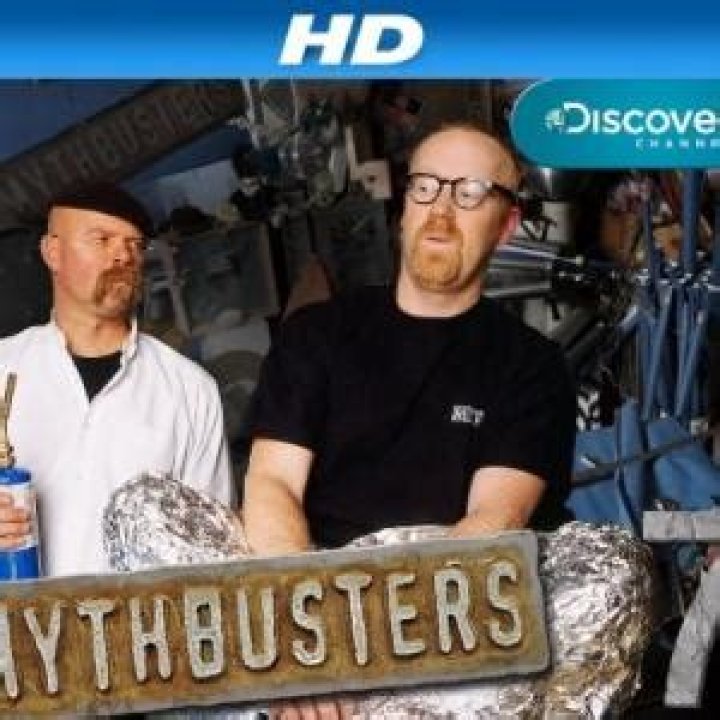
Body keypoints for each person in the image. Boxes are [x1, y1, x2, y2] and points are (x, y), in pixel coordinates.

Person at [244, 124, 576, 555]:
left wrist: (406, 598)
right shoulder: (314, 335)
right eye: (425, 187)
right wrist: (299, 586)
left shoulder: (530, 366)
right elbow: (273, 483)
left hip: (456, 585)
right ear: (404, 208)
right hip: (315, 577)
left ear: (506, 226)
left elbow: (495, 518)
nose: (440, 211)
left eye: (470, 193)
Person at [0, 184, 236, 576]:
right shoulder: (4, 367)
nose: (122, 256)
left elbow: (214, 553)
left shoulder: (190, 390)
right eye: (102, 240)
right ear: (52, 252)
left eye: (134, 245)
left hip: (142, 616)